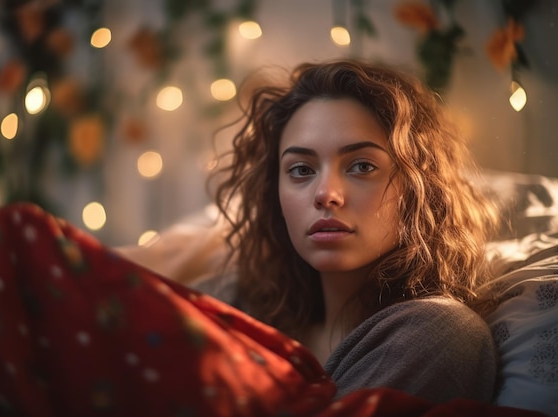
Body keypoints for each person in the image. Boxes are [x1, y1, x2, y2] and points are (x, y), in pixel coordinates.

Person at [208, 59, 500, 403]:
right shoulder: (240, 305)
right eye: (301, 169)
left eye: (362, 166)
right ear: (275, 193)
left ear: (420, 188)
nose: (325, 194)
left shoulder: (439, 331)